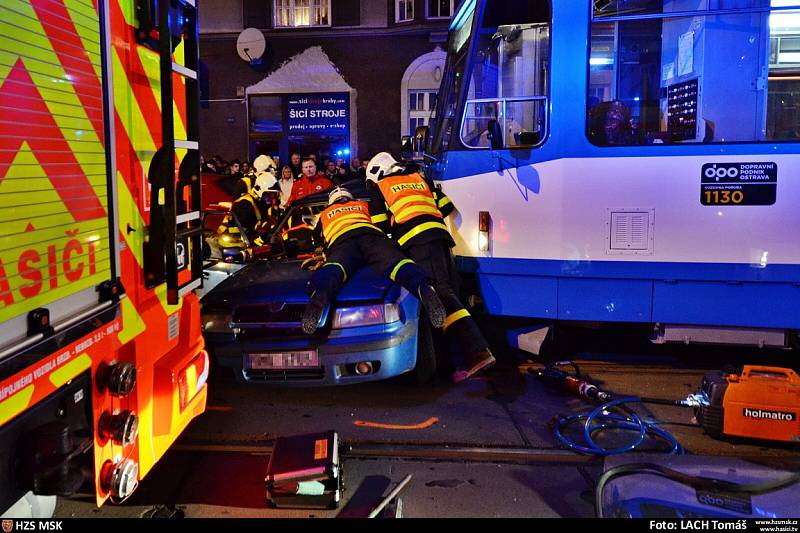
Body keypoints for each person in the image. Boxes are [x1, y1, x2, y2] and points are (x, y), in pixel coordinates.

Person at [366, 152, 495, 384]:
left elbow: (380, 225)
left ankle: (478, 352)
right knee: (445, 295)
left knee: (441, 295)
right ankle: (454, 361)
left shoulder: (380, 185)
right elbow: (445, 206)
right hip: (440, 240)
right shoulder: (417, 177)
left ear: (376, 173)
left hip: (417, 243)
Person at [301, 187, 446, 335]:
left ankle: (318, 298)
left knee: (333, 269)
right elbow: (380, 221)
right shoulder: (363, 205)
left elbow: (317, 240)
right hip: (372, 237)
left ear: (331, 202)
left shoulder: (325, 214)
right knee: (398, 263)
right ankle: (424, 287)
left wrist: (323, 254)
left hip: (343, 242)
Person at [218, 157, 280, 245]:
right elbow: (239, 232)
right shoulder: (244, 204)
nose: (270, 199)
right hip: (234, 242)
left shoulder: (260, 201)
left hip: (247, 238)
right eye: (269, 196)